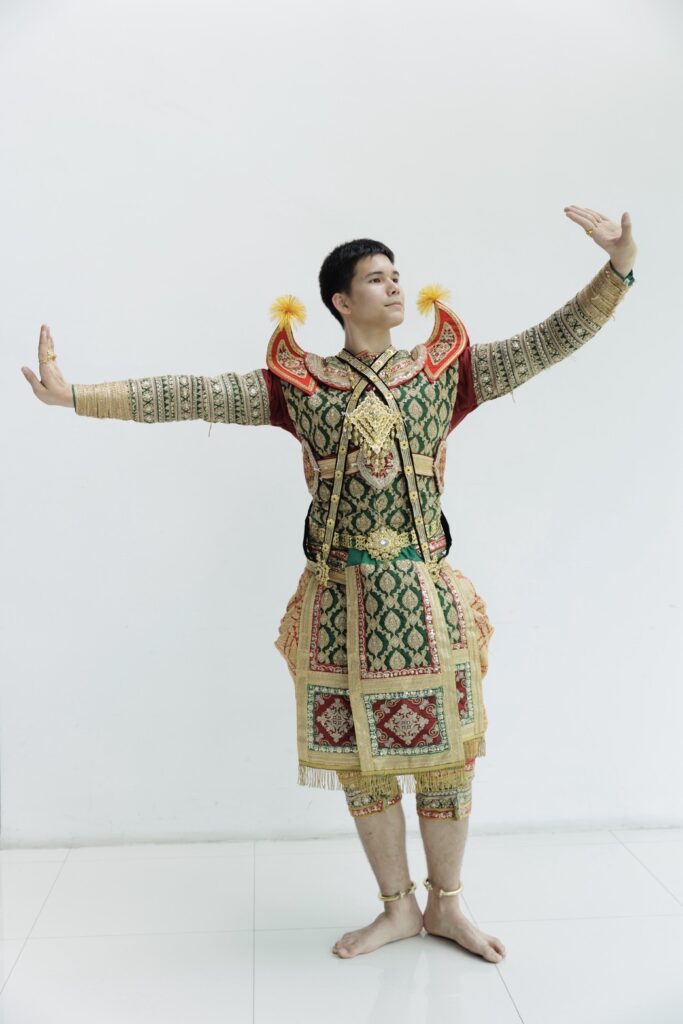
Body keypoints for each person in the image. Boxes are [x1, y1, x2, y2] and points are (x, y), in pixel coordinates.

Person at [22, 204, 637, 964]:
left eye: (396, 275)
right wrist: (75, 395)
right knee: (360, 767)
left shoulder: (444, 372)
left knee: (446, 760)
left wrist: (617, 267)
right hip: (339, 604)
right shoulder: (300, 384)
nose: (394, 286)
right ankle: (396, 907)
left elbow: (551, 340)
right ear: (341, 300)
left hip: (426, 596)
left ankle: (447, 905)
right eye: (376, 278)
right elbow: (190, 395)